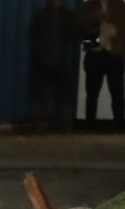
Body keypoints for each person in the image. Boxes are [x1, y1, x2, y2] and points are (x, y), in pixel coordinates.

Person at [78, 0, 125, 130]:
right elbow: (81, 30)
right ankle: (89, 126)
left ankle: (120, 127)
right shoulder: (89, 6)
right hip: (95, 55)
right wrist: (98, 28)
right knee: (92, 94)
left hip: (115, 54)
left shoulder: (119, 5)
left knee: (118, 94)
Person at [29, 0, 77, 131]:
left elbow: (75, 36)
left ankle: (67, 128)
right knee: (38, 97)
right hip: (42, 62)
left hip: (60, 62)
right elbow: (34, 38)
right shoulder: (39, 16)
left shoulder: (69, 16)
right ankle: (37, 128)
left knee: (64, 97)